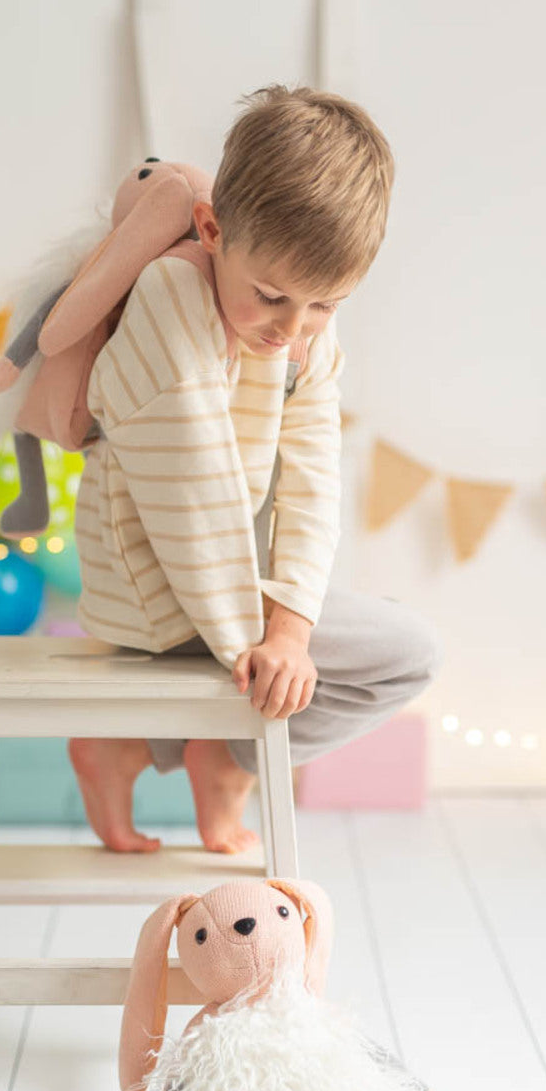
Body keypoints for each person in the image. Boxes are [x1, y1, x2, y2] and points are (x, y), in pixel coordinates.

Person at [67, 84, 442, 855]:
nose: (293, 329)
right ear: (212, 230)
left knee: (398, 647)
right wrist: (261, 649)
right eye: (272, 296)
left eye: (325, 305)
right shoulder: (171, 299)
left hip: (225, 581)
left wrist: (293, 630)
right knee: (405, 654)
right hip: (157, 590)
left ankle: (210, 755)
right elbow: (193, 499)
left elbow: (312, 482)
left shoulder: (302, 335)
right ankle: (174, 752)